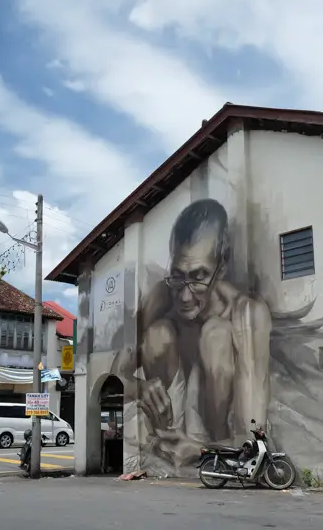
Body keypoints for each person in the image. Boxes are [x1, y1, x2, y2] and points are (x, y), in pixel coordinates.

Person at [110, 199, 272, 467]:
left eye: (198, 277)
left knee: (216, 335)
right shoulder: (162, 297)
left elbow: (252, 436)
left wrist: (200, 450)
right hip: (170, 422)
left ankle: (213, 453)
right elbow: (115, 377)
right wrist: (139, 387)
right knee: (158, 334)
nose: (184, 295)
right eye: (178, 276)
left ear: (222, 265)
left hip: (219, 438)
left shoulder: (246, 314)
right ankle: (166, 438)